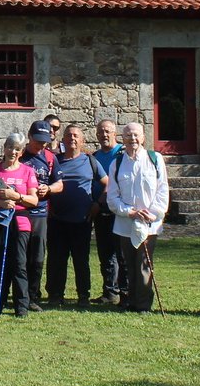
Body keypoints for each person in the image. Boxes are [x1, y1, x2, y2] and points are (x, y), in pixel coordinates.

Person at [106, 121, 169, 314]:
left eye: (136, 135)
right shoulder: (117, 163)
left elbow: (162, 190)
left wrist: (151, 214)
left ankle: (143, 305)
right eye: (128, 135)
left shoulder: (155, 159)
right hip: (125, 223)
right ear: (122, 139)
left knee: (144, 264)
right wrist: (129, 212)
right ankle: (131, 301)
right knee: (128, 264)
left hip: (149, 224)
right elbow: (112, 196)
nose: (132, 139)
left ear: (143, 137)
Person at [45, 123, 107, 307]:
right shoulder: (55, 161)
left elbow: (108, 184)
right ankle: (55, 295)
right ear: (62, 140)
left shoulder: (90, 161)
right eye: (69, 135)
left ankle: (83, 295)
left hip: (82, 220)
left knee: (81, 260)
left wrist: (97, 204)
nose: (72, 138)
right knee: (56, 259)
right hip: (57, 220)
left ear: (82, 140)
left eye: (75, 136)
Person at [0, 133, 38, 317]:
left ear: (21, 152)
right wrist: (1, 203)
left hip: (20, 222)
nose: (13, 151)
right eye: (10, 147)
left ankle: (21, 306)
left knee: (19, 264)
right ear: (4, 148)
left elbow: (34, 200)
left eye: (17, 149)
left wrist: (17, 197)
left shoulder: (28, 171)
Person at [21, 119, 63, 310]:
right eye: (38, 141)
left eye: (44, 141)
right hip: (21, 212)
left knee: (37, 257)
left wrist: (49, 189)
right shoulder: (19, 155)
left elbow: (60, 184)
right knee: (20, 256)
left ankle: (33, 296)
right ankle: (19, 295)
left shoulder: (50, 158)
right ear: (29, 137)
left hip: (40, 214)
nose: (41, 145)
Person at [90, 118, 128, 305]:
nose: (104, 135)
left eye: (107, 131)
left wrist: (100, 200)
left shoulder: (122, 154)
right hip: (101, 211)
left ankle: (125, 292)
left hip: (118, 210)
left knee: (121, 253)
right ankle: (109, 292)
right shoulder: (94, 157)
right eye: (101, 132)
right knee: (105, 253)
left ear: (115, 133)